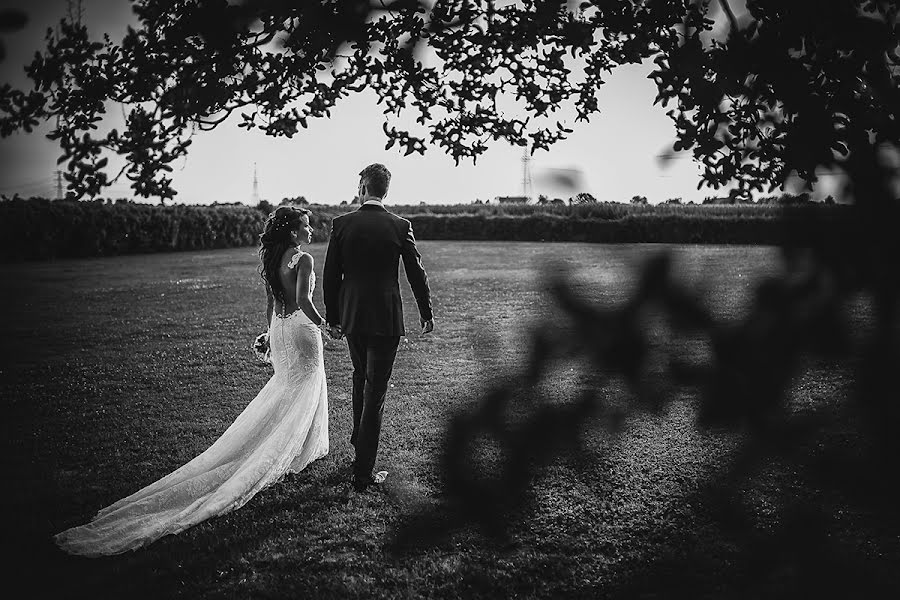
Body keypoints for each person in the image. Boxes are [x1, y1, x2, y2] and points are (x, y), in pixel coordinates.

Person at [54, 206, 329, 556]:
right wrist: (325, 324)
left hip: (279, 328)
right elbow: (303, 300)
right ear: (293, 232)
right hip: (302, 330)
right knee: (304, 384)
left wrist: (268, 333)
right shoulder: (303, 260)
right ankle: (297, 450)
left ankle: (295, 446)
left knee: (286, 387)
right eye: (305, 226)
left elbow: (274, 303)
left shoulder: (274, 258)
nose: (310, 230)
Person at [323, 163, 434, 492]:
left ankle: (360, 448)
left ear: (362, 187)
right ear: (385, 190)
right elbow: (416, 271)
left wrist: (334, 318)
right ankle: (363, 472)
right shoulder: (400, 226)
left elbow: (331, 275)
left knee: (361, 378)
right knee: (375, 391)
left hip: (354, 317)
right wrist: (426, 310)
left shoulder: (342, 224)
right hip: (386, 319)